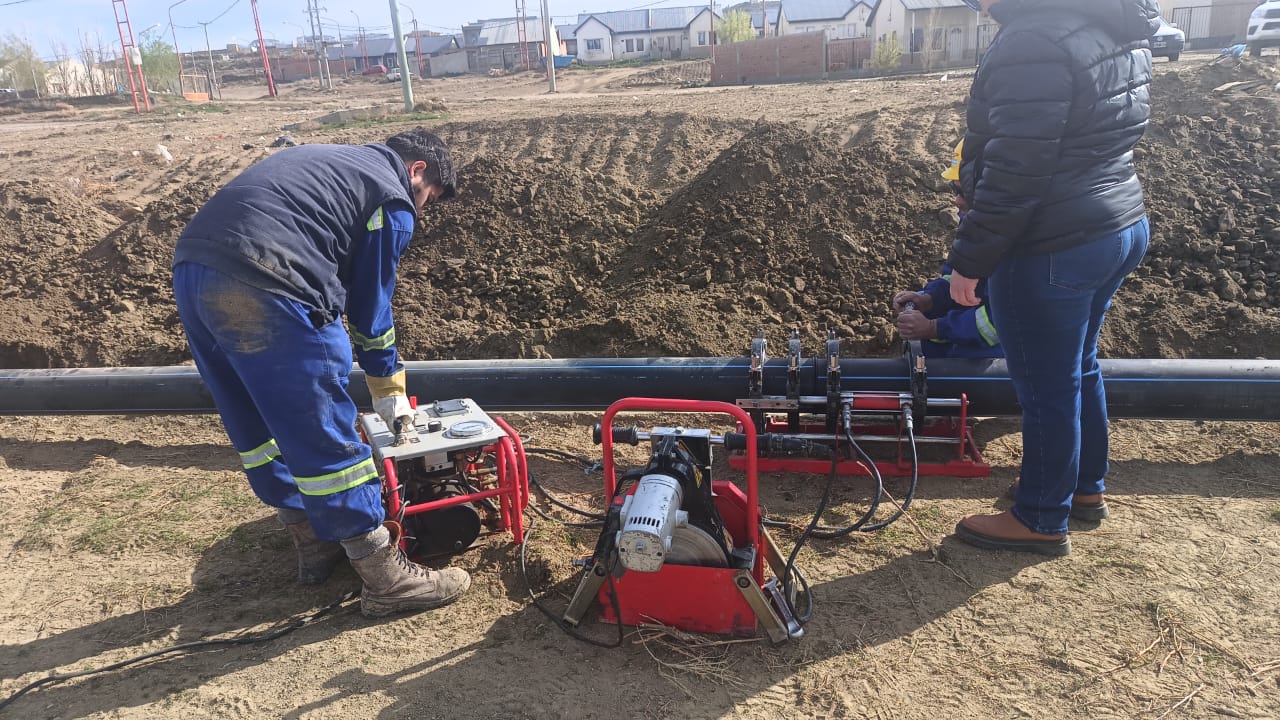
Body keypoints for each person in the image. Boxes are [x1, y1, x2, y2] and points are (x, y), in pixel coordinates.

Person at [171, 128, 471, 616]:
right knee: (323, 425)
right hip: (273, 279)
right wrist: (388, 387)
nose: (421, 211)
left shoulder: (331, 162)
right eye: (428, 199)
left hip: (195, 270)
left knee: (256, 420)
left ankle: (312, 538)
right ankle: (386, 578)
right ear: (417, 171)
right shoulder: (391, 198)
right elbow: (371, 310)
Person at [948, 0, 1157, 555]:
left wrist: (970, 261)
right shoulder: (1110, 20)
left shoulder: (1033, 39)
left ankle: (1041, 516)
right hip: (1116, 223)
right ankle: (1083, 487)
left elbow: (1018, 168)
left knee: (1046, 386)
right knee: (1078, 366)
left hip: (1052, 243)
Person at [893, 140, 1003, 359]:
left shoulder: (1019, 247)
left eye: (964, 191)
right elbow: (956, 278)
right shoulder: (974, 222)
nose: (956, 200)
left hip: (1010, 348)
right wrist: (929, 299)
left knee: (970, 356)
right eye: (955, 189)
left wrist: (935, 328)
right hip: (979, 321)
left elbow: (1000, 321)